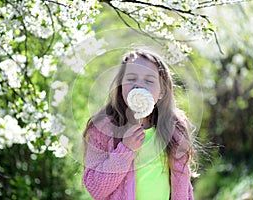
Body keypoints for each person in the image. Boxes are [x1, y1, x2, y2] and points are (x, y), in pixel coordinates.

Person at [82, 49, 194, 200]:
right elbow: (95, 188)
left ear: (162, 91)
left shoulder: (174, 126)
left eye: (149, 81)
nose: (139, 85)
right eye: (131, 78)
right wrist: (125, 150)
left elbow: (183, 183)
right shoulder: (103, 128)